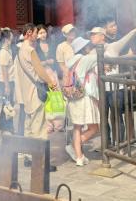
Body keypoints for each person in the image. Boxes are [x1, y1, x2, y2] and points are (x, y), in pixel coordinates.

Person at [14, 23, 58, 168]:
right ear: (28, 33)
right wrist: (51, 82)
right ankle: (41, 162)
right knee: (39, 128)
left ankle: (29, 156)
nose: (37, 35)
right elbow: (39, 70)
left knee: (29, 127)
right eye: (35, 33)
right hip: (35, 92)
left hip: (25, 93)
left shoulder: (20, 50)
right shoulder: (31, 50)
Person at [64, 37, 99, 166]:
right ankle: (74, 146)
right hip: (84, 97)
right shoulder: (85, 59)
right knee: (94, 128)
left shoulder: (71, 62)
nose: (89, 47)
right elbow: (102, 56)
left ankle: (79, 157)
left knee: (77, 128)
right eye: (88, 46)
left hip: (73, 97)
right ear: (84, 49)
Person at [0, 28, 15, 135]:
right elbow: (4, 71)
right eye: (10, 38)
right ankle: (4, 128)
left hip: (10, 80)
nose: (12, 39)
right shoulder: (3, 52)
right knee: (6, 105)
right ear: (6, 39)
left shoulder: (9, 50)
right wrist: (7, 86)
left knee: (10, 105)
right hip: (5, 82)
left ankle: (9, 127)